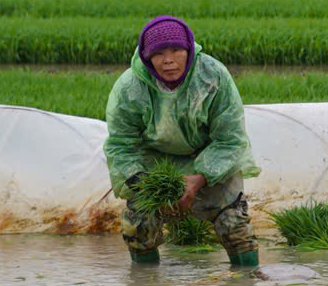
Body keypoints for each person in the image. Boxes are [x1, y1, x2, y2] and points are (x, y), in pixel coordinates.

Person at [102, 16, 260, 267]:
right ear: (146, 57)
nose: (168, 60)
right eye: (158, 53)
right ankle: (144, 284)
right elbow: (122, 145)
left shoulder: (212, 76)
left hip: (210, 158)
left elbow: (230, 140)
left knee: (234, 223)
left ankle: (247, 277)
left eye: (176, 50)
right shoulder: (130, 87)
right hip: (154, 164)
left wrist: (200, 177)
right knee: (138, 226)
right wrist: (143, 183)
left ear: (189, 50)